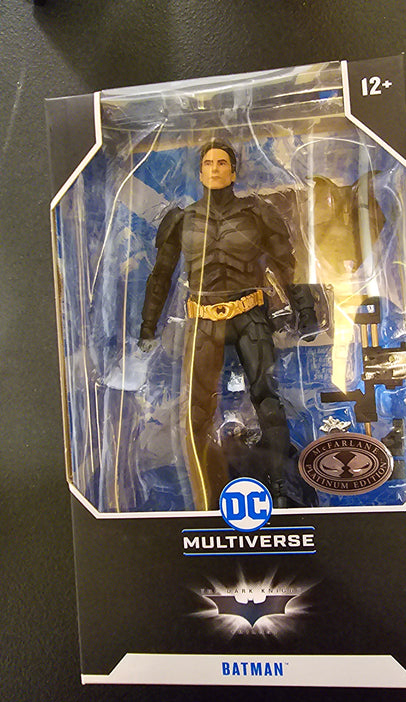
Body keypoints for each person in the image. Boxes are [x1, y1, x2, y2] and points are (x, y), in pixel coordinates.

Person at [139, 139, 317, 510]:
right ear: (200, 172)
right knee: (196, 411)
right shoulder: (182, 220)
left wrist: (306, 311)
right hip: (202, 320)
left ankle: (281, 488)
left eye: (222, 162)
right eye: (209, 163)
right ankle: (206, 494)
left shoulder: (258, 214)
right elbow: (161, 275)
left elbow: (287, 265)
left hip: (249, 315)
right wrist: (147, 326)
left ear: (234, 172)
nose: (215, 169)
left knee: (267, 400)